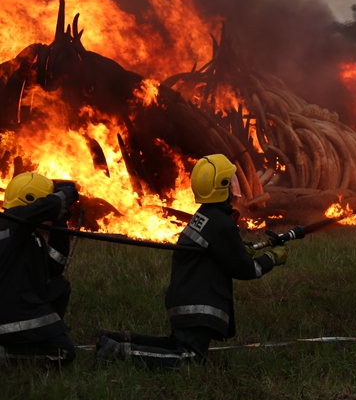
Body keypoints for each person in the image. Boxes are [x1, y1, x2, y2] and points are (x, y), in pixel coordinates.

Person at [96, 154, 286, 368]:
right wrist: (272, 257)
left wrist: (240, 249)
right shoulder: (221, 222)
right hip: (198, 306)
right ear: (223, 187)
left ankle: (116, 339)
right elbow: (245, 269)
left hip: (185, 299)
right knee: (189, 359)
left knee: (175, 345)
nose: (234, 188)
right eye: (230, 183)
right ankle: (116, 352)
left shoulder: (203, 216)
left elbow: (218, 252)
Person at [0, 173, 79, 367]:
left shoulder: (25, 234)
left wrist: (60, 221)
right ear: (31, 200)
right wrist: (64, 195)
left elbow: (55, 266)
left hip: (17, 303)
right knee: (63, 353)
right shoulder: (13, 220)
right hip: (7, 311)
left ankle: (36, 338)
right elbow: (49, 205)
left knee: (60, 287)